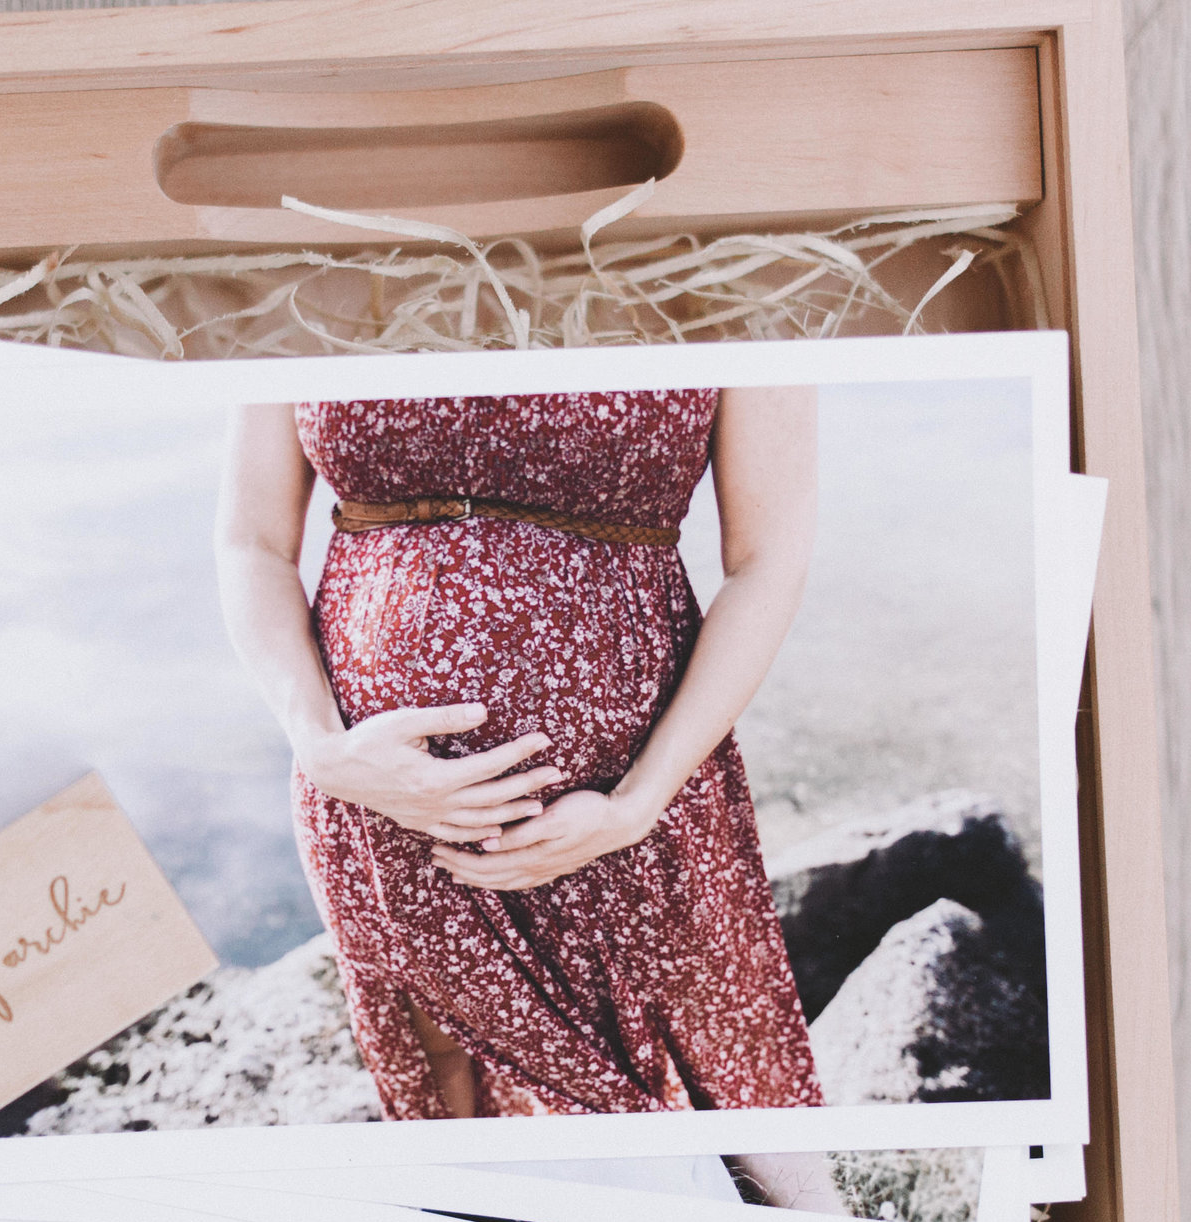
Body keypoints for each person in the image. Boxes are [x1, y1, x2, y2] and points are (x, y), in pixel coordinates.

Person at [214, 387, 824, 1132]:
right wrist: (321, 748)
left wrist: (638, 801)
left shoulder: (738, 314)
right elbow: (252, 543)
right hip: (375, 787)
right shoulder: (298, 316)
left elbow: (766, 562)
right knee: (439, 1062)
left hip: (636, 790)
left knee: (715, 1065)